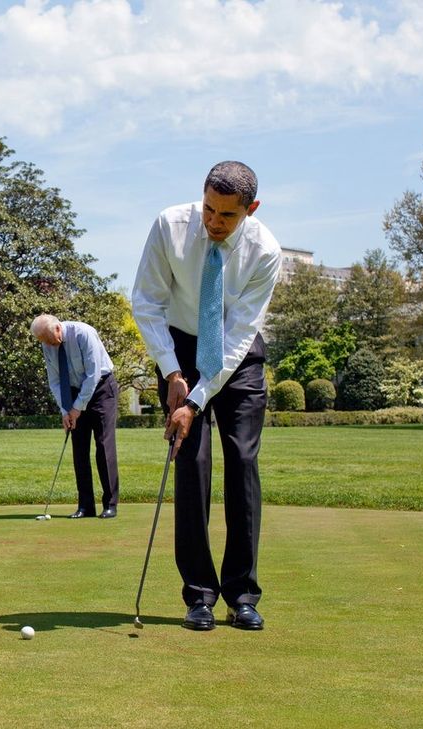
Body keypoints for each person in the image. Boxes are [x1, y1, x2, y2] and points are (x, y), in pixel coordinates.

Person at [132, 161, 281, 631]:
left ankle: (242, 595)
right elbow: (147, 303)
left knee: (242, 463)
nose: (214, 221)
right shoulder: (169, 225)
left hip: (237, 355)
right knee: (191, 464)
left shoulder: (265, 251)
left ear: (251, 209)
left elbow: (237, 336)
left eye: (227, 215)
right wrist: (172, 370)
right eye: (209, 209)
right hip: (178, 346)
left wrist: (196, 400)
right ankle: (199, 596)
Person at [31, 314, 120, 519]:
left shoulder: (83, 333)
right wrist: (66, 410)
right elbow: (55, 381)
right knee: (79, 449)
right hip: (72, 393)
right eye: (43, 342)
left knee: (104, 446)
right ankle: (85, 506)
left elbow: (93, 374)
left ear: (57, 329)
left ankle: (110, 504)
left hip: (101, 390)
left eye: (49, 340)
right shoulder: (47, 344)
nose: (48, 345)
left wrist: (77, 407)